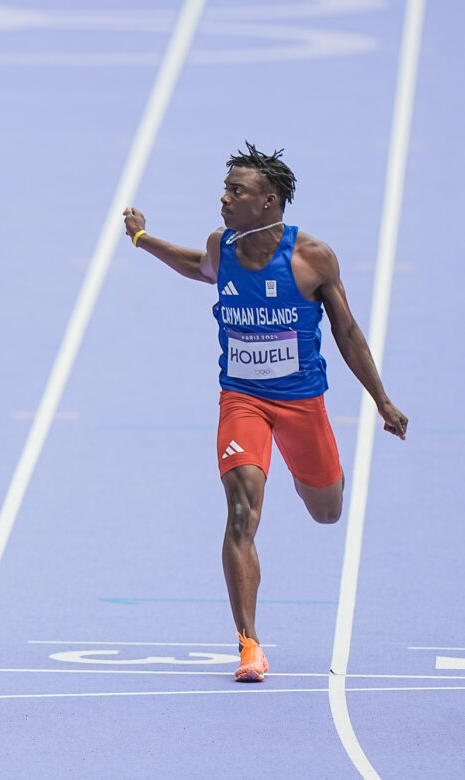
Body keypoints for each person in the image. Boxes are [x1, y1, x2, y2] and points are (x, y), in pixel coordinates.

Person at [123, 143, 407, 682]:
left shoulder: (311, 258)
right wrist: (142, 239)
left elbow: (347, 332)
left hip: (302, 403)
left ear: (269, 202)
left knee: (326, 510)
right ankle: (249, 645)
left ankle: (314, 475)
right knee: (240, 513)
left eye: (236, 191)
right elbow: (198, 265)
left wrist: (382, 400)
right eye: (225, 188)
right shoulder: (222, 246)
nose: (223, 199)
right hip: (242, 400)